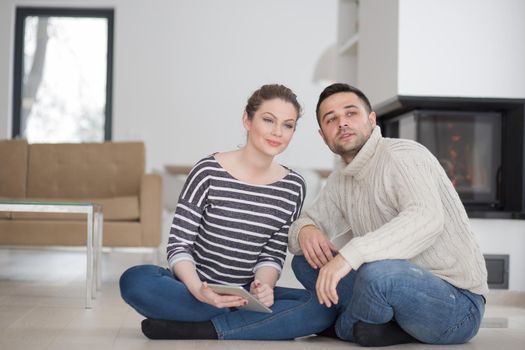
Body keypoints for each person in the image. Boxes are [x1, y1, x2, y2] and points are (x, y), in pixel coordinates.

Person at [119, 84, 336, 340]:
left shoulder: (293, 186)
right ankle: (249, 324)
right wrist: (199, 289)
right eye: (268, 120)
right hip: (191, 288)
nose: (278, 132)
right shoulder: (208, 171)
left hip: (245, 294)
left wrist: (264, 287)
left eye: (288, 125)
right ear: (247, 119)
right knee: (135, 280)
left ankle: (204, 328)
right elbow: (178, 245)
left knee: (323, 306)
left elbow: (271, 254)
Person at [288, 83, 488, 346]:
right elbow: (302, 230)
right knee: (305, 261)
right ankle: (379, 325)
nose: (342, 123)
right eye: (331, 119)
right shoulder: (341, 180)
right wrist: (306, 230)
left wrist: (350, 255)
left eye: (351, 113)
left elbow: (426, 218)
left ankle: (342, 326)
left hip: (457, 305)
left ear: (371, 119)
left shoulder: (403, 155)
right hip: (390, 286)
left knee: (378, 274)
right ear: (323, 135)